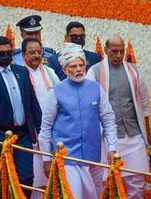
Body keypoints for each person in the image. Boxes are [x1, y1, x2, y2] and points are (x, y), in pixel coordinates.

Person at [38, 42, 117, 199]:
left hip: (94, 157)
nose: (79, 69)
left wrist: (112, 148)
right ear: (65, 69)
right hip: (68, 159)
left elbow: (108, 120)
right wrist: (46, 159)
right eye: (73, 66)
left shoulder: (96, 88)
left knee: (95, 195)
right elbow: (45, 129)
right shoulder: (55, 92)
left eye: (81, 65)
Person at [0, 36, 42, 198]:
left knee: (26, 177)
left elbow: (32, 103)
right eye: (0, 53)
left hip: (23, 134)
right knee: (1, 180)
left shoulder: (22, 72)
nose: (5, 56)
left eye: (8, 52)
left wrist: (39, 130)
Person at [86, 36, 151, 199]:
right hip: (108, 138)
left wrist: (147, 132)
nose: (118, 55)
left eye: (121, 51)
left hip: (134, 135)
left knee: (136, 182)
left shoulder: (134, 71)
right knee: (107, 182)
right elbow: (88, 106)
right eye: (114, 51)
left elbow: (144, 102)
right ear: (106, 50)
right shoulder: (94, 72)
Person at [21, 38, 59, 199]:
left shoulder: (50, 73)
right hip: (31, 135)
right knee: (35, 178)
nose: (36, 56)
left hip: (52, 133)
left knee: (54, 177)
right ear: (23, 55)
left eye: (39, 52)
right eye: (32, 53)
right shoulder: (19, 74)